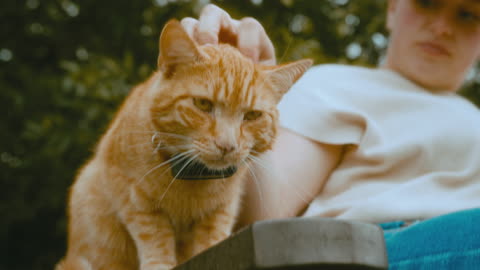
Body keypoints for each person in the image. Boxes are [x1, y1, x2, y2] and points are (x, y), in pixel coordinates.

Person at [180, 0, 480, 269]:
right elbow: (266, 214)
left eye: (467, 15)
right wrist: (231, 97)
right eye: (426, 3)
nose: (442, 28)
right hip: (372, 251)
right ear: (392, 9)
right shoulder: (336, 84)